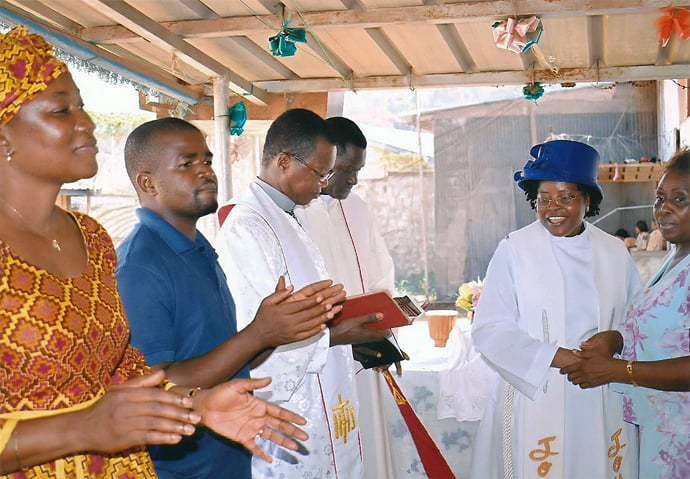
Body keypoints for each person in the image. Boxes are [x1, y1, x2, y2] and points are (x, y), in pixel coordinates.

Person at [0, 26, 308, 478]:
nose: (86, 124)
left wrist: (196, 403)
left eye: (82, 108)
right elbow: (95, 417)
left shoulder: (91, 238)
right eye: (61, 111)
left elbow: (126, 372)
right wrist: (81, 430)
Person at [116, 117, 347, 478]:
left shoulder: (199, 248)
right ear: (148, 183)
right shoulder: (140, 265)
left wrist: (286, 327)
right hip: (182, 466)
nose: (205, 172)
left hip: (228, 454)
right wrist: (260, 334)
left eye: (207, 161)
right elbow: (153, 385)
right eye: (187, 164)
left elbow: (227, 355)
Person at [214, 108, 390, 478]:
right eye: (320, 173)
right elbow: (253, 331)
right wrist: (337, 334)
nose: (324, 184)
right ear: (283, 161)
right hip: (289, 410)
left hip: (322, 393)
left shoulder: (290, 216)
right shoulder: (247, 227)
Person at [470, 139, 642, 479]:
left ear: (588, 199)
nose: (554, 208)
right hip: (536, 388)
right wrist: (555, 356)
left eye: (567, 197)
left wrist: (616, 338)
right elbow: (490, 328)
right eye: (543, 198)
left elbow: (636, 319)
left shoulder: (613, 252)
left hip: (599, 390)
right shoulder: (515, 249)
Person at [561, 148, 690, 478]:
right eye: (660, 197)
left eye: (680, 199)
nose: (663, 209)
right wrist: (615, 339)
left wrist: (617, 370)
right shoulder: (674, 259)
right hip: (661, 428)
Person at [298, 116, 397, 477]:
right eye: (345, 170)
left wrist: (387, 339)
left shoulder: (357, 207)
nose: (353, 180)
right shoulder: (294, 212)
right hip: (318, 361)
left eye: (359, 170)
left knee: (366, 451)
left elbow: (379, 274)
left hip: (364, 355)